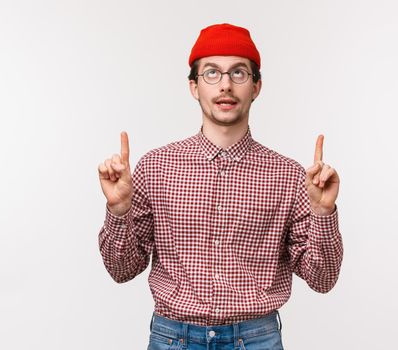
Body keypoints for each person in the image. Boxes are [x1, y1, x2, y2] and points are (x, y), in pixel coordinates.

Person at [97, 23, 343, 350]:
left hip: (257, 339)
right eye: (212, 73)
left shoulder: (290, 176)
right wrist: (118, 210)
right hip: (173, 339)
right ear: (193, 87)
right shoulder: (155, 167)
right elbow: (122, 270)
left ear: (256, 87)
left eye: (238, 73)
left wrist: (323, 212)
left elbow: (323, 280)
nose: (225, 85)